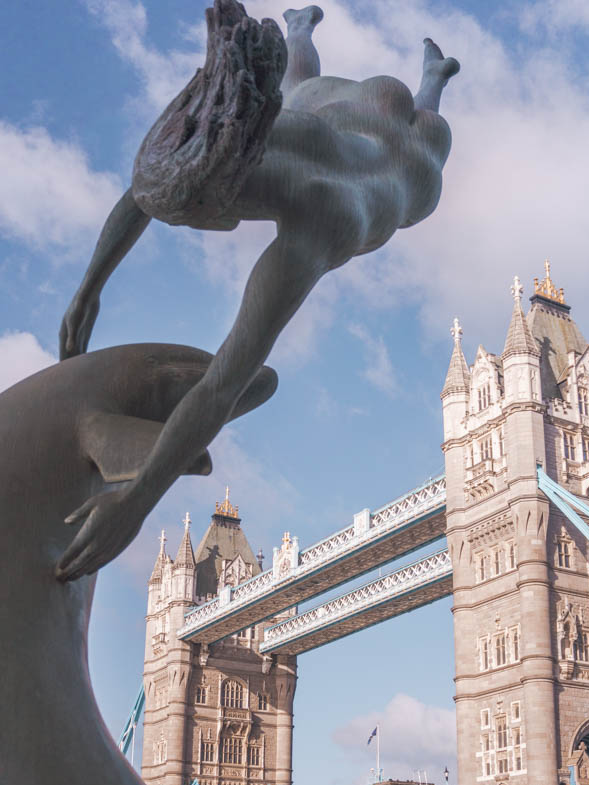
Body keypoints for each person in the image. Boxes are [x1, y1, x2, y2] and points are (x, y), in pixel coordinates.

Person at [56, 0, 459, 582]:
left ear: (220, 205)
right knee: (298, 93)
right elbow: (147, 192)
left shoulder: (319, 229)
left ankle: (427, 83)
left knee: (423, 131)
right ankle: (395, 65)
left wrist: (137, 502)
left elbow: (222, 385)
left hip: (412, 171)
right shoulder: (253, 131)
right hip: (361, 104)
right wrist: (89, 288)